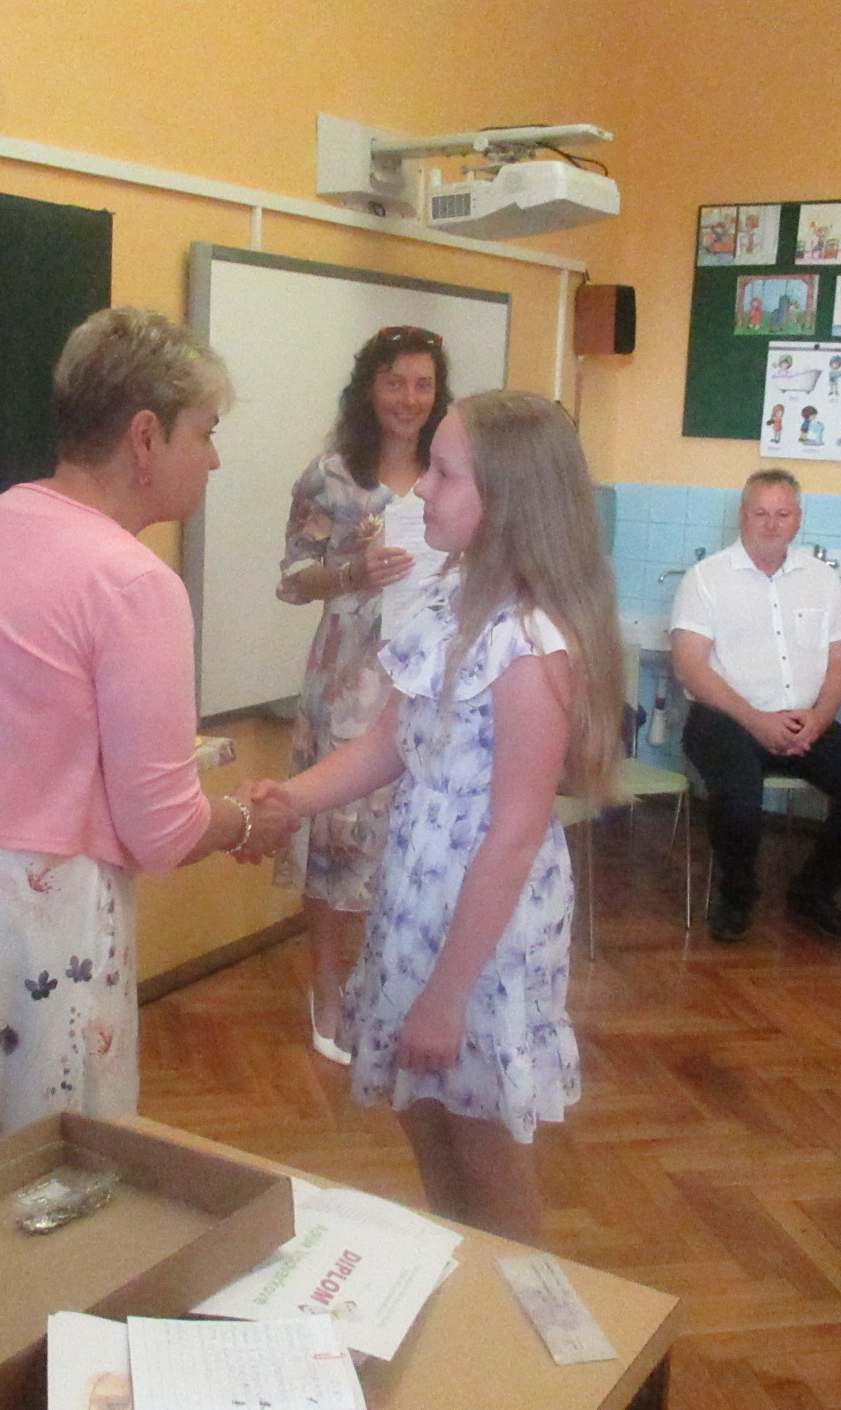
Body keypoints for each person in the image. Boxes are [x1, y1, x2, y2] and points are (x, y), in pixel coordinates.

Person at [0, 307, 295, 1207]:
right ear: (145, 437)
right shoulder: (132, 581)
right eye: (206, 432)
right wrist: (251, 821)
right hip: (29, 922)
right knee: (38, 1192)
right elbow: (163, 830)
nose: (213, 458)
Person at [249, 391, 623, 1243]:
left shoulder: (530, 644)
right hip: (418, 906)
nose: (419, 488)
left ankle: (519, 1315)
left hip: (478, 936)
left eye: (444, 473)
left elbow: (514, 834)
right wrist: (292, 800)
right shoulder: (451, 598)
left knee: (484, 1161)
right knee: (428, 1127)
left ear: (509, 499)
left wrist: (447, 998)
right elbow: (392, 742)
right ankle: (469, 1293)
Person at [275, 326, 453, 1065]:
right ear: (368, 389)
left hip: (433, 676)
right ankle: (326, 986)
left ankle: (394, 987)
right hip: (352, 680)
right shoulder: (332, 477)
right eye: (394, 383)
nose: (409, 399)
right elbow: (292, 581)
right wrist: (354, 571)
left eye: (423, 384)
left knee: (412, 834)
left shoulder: (454, 471)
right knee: (337, 840)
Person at [671, 469, 841, 945]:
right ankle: (737, 893)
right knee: (738, 794)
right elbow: (690, 667)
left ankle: (813, 893)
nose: (772, 524)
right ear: (742, 516)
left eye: (783, 513)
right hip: (725, 718)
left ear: (798, 519)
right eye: (761, 513)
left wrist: (819, 719)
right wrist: (756, 721)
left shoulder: (821, 579)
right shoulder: (705, 578)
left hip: (803, 718)